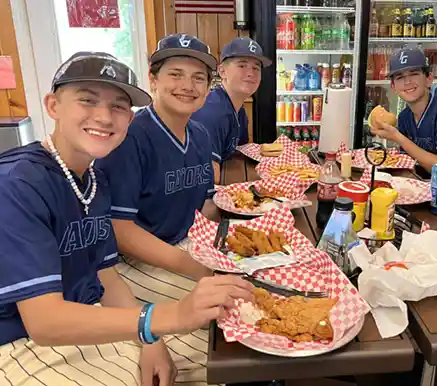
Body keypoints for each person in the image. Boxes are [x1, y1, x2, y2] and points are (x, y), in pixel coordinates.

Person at [0, 52, 253, 385]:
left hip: (87, 310)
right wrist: (164, 318)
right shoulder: (17, 183)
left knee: (222, 346)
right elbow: (44, 322)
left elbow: (105, 274)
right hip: (18, 342)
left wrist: (150, 339)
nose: (104, 117)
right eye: (87, 100)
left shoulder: (93, 179)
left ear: (129, 119)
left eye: (119, 106)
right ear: (53, 106)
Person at [96, 34, 221, 307]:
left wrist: (224, 249)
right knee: (225, 308)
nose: (188, 86)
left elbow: (207, 206)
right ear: (153, 80)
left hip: (185, 246)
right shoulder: (129, 138)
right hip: (132, 265)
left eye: (199, 78)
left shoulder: (200, 134)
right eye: (175, 74)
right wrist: (194, 266)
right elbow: (118, 229)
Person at [370, 49, 437, 172]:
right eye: (400, 77)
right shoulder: (404, 117)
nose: (407, 82)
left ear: (429, 79)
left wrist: (397, 137)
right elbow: (407, 164)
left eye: (414, 74)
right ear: (393, 87)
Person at [192, 37, 272, 182]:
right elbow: (209, 179)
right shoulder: (211, 112)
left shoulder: (239, 110)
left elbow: (240, 156)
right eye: (242, 66)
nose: (251, 73)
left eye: (256, 68)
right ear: (222, 71)